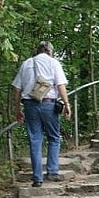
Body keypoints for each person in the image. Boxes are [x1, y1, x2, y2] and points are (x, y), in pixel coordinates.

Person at [12, 41, 72, 187]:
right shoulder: (54, 63)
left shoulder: (26, 63)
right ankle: (52, 171)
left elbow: (17, 89)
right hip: (49, 104)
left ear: (37, 51)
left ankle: (37, 178)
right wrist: (67, 104)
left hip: (29, 105)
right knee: (54, 137)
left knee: (35, 140)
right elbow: (60, 85)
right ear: (50, 51)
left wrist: (17, 109)